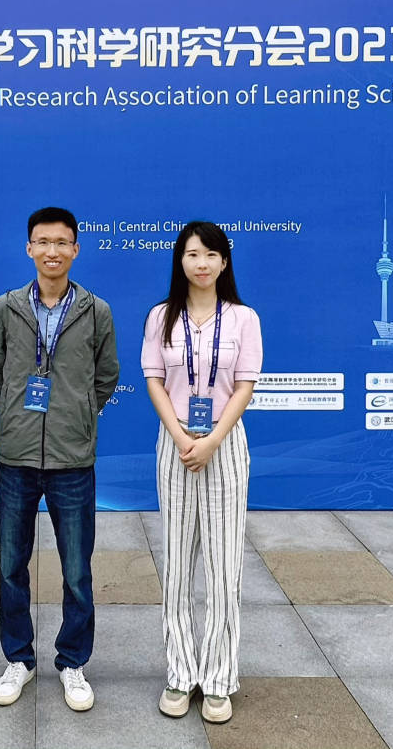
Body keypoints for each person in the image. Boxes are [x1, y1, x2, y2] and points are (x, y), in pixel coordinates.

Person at [0, 206, 119, 712]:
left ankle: (73, 661)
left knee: (77, 570)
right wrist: (18, 416)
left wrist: (76, 417)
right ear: (29, 248)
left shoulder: (96, 311)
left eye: (62, 242)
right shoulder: (7, 307)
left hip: (73, 460)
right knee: (11, 566)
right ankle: (18, 659)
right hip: (16, 457)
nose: (52, 251)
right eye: (43, 242)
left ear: (76, 249)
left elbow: (106, 376)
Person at [140, 221, 261, 724]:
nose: (202, 263)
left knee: (223, 567)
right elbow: (154, 380)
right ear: (180, 261)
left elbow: (244, 386)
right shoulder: (161, 316)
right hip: (175, 446)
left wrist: (211, 440)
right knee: (177, 567)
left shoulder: (243, 318)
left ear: (224, 262)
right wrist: (181, 435)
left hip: (224, 446)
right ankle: (179, 672)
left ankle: (217, 680)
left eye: (211, 254)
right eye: (192, 254)